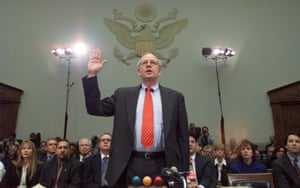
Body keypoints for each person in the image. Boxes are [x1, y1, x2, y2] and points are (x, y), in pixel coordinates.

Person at [82, 49, 189, 187]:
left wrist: (184, 170)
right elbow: (94, 108)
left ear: (159, 71)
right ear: (139, 71)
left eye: (153, 63)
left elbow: (183, 136)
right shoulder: (123, 95)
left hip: (164, 162)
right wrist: (92, 74)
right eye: (144, 63)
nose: (149, 65)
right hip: (130, 162)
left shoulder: (175, 97)